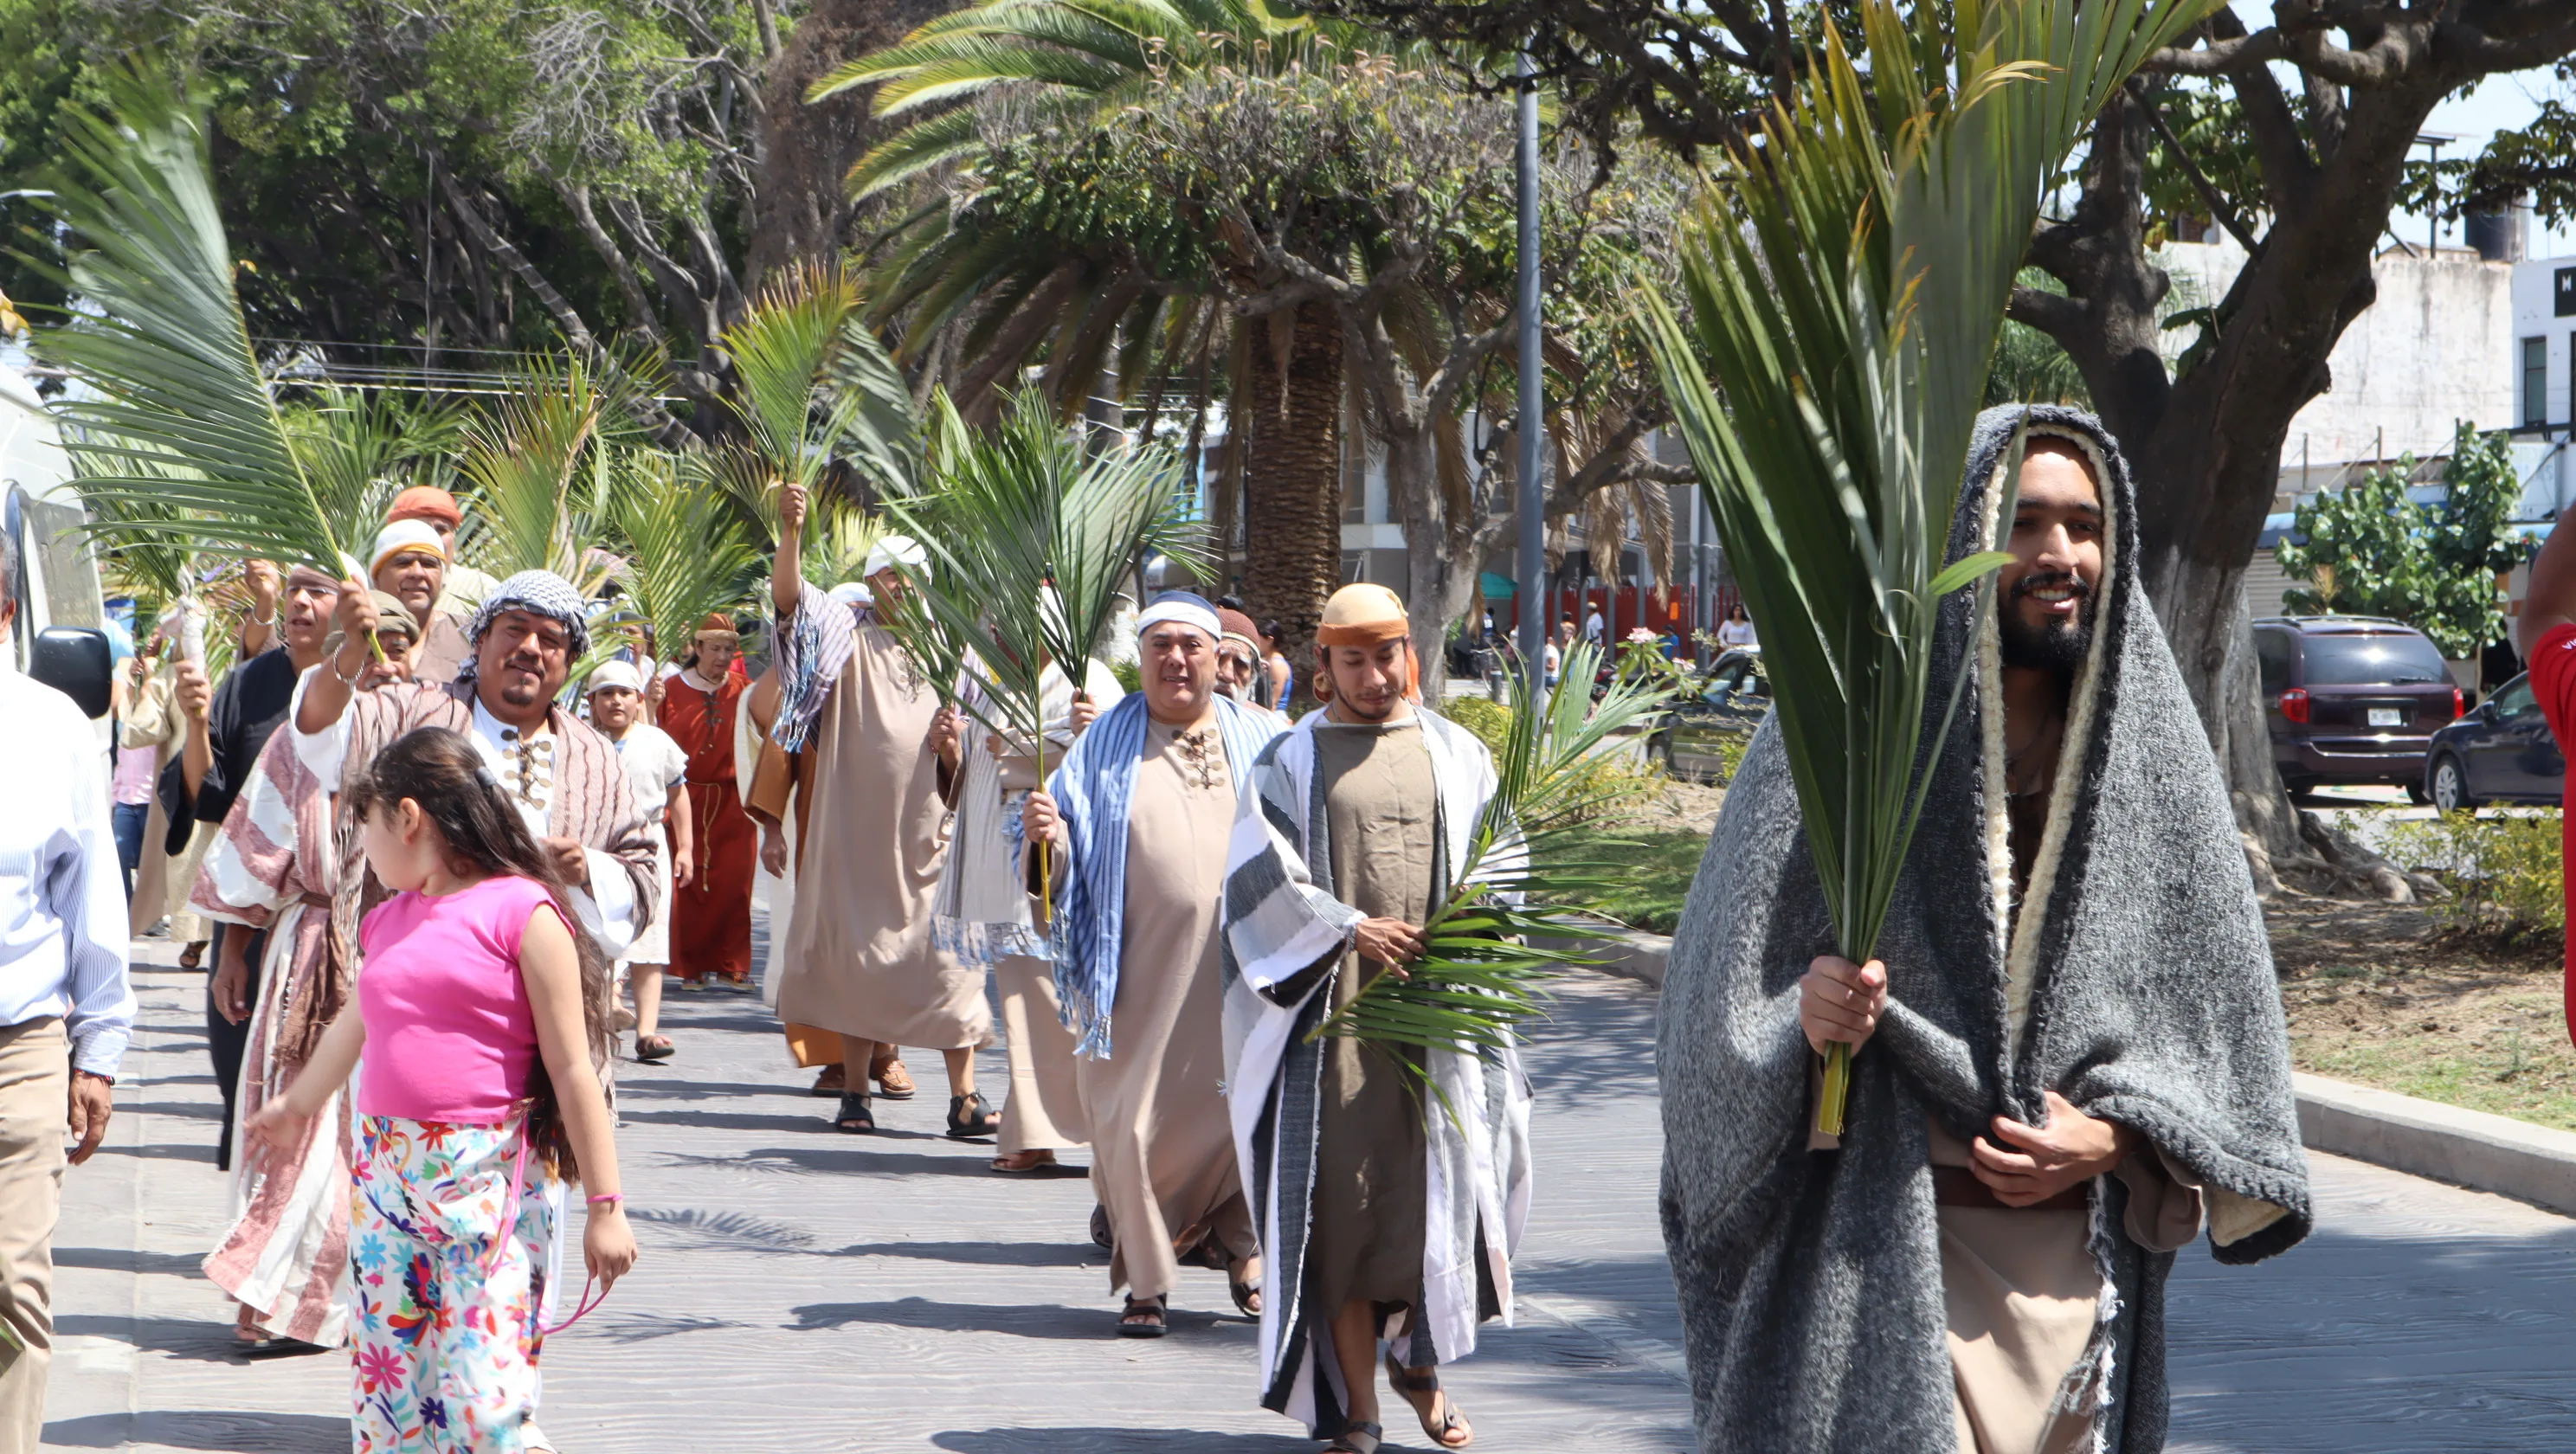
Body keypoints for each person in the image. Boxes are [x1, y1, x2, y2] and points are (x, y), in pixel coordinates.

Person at [1659, 406, 2313, 1454]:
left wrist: (2114, 1141)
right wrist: (1810, 1014)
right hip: (1879, 1257)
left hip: (2075, 1286)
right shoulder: (1851, 725)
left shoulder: (2153, 767)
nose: (2060, 554)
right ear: (1966, 536)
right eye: (2027, 522)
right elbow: (1714, 996)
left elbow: (2215, 1049)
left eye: (2086, 527)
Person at [246, 727, 637, 1453]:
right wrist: (297, 1106)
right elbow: (353, 1027)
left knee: (486, 1402)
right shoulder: (386, 921)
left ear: (408, 817)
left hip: (485, 1190)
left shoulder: (525, 912)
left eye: (365, 830)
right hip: (385, 1186)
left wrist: (606, 1207)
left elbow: (573, 1068)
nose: (364, 852)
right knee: (390, 1400)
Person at [1221, 582, 1532, 1454]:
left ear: (1412, 656)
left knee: (1442, 1200)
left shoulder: (1459, 755)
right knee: (1343, 1216)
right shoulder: (1288, 760)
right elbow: (1256, 884)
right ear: (1323, 667)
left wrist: (1472, 917)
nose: (1372, 674)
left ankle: (1419, 1366)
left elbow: (1506, 863)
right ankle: (1356, 1405)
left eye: (1385, 655)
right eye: (1351, 659)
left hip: (1439, 1024)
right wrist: (1349, 927)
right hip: (1333, 1031)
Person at [1021, 592, 1283, 1336]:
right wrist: (1046, 839)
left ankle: (1248, 1254)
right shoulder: (1101, 745)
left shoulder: (1265, 738)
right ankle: (1146, 1277)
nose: (1176, 658)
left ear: (1217, 658)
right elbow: (1058, 867)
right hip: (1133, 979)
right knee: (1130, 1124)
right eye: (1160, 645)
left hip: (1244, 977)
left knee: (1244, 1112)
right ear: (1140, 659)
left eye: (1191, 646)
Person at [191, 593, 411, 1356]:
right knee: (293, 1120)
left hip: (400, 956)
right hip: (306, 948)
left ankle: (327, 1301)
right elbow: (254, 842)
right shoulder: (303, 739)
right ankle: (267, 1297)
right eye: (375, 644)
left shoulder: (429, 751)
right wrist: (233, 950)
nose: (388, 660)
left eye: (403, 647)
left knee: (357, 1134)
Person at [765, 483, 997, 1138]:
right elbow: (790, 602)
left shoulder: (957, 655)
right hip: (856, 839)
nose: (903, 588)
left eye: (914, 578)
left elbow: (970, 765)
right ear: (871, 583)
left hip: (929, 840)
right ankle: (857, 1095)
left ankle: (965, 1100)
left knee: (952, 965)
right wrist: (791, 533)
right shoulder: (840, 640)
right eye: (890, 576)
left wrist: (952, 748)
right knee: (861, 965)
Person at [0, 532, 134, 1454]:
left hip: (21, 1046)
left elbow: (92, 898)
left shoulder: (51, 728)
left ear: (5, 608)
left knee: (12, 1282)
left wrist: (100, 1052)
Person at [167, 565, 342, 1170]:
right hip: (249, 919)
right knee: (242, 1071)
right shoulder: (246, 683)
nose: (300, 602)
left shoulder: (373, 689)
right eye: (293, 589)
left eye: (318, 590)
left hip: (340, 925)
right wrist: (195, 724)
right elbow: (203, 795)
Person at [933, 625, 1120, 1173]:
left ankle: (1082, 1125)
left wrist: (1082, 734)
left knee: (1063, 1000)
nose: (1008, 634)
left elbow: (1115, 766)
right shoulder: (994, 686)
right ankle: (1030, 1128)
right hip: (1004, 856)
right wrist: (949, 749)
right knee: (1021, 997)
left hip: (1068, 854)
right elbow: (967, 777)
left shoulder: (1092, 682)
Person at [589, 662, 692, 1062]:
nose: (616, 701)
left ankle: (647, 1030)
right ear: (592, 702)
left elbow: (677, 794)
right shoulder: (581, 741)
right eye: (606, 693)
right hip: (599, 847)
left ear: (638, 700)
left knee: (650, 933)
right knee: (600, 927)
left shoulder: (657, 742)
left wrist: (685, 848)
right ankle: (602, 1012)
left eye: (624, 693)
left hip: (649, 843)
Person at [657, 614, 755, 989]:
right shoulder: (668, 690)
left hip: (734, 798)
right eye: (714, 648)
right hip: (686, 794)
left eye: (728, 649)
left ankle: (733, 963)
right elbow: (655, 739)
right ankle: (691, 966)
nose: (721, 656)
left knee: (735, 881)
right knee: (689, 880)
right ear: (697, 648)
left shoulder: (745, 689)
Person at [384, 485, 500, 622]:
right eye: (422, 528)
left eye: (441, 529)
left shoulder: (483, 589)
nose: (433, 538)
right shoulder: (375, 587)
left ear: (454, 537)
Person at [1258, 619, 1294, 713]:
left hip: (1274, 717)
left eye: (1259, 639)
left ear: (1270, 640)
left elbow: (1272, 703)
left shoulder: (1276, 664)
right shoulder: (1267, 661)